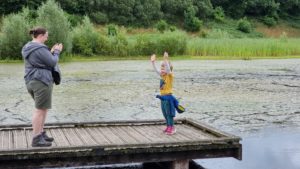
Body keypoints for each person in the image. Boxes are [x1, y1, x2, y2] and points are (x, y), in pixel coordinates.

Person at [21, 27, 63, 147]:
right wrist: (56, 52)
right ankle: (36, 138)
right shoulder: (39, 48)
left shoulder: (28, 47)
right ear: (40, 35)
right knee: (39, 110)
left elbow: (41, 60)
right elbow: (52, 62)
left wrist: (49, 53)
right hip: (41, 81)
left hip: (31, 80)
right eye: (46, 35)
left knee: (43, 108)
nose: (47, 37)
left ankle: (40, 134)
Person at [151, 52, 184, 135]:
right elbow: (156, 70)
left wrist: (165, 60)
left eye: (163, 67)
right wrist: (153, 62)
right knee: (165, 113)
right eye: (161, 67)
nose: (161, 69)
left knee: (169, 114)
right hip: (163, 98)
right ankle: (168, 126)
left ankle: (172, 128)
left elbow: (168, 70)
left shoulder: (170, 76)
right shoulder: (162, 76)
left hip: (168, 98)